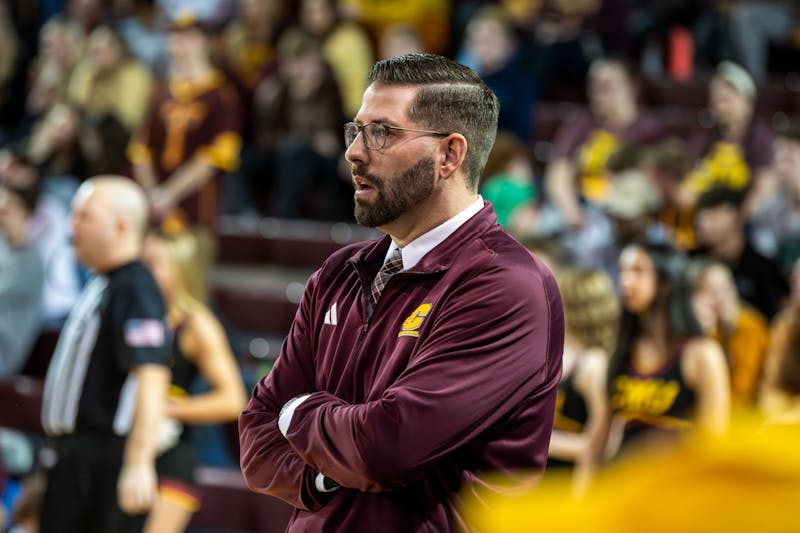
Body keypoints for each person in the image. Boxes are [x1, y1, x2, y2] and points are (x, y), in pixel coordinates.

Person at [239, 53, 565, 532]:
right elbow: (256, 441)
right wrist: (327, 474)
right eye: (355, 130)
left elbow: (387, 447)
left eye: (381, 133)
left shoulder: (506, 285)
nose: (354, 152)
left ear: (449, 155)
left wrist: (298, 412)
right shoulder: (338, 273)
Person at [39, 176, 171, 533]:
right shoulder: (104, 281)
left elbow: (152, 375)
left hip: (105, 461)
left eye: (84, 216)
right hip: (74, 457)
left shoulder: (135, 287)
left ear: (121, 228)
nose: (72, 226)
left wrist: (138, 463)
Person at [141, 227, 247, 533]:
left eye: (153, 264)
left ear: (179, 269)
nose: (143, 271)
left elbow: (233, 399)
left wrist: (167, 409)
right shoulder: (135, 312)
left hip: (171, 450)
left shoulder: (196, 323)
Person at [594, 242, 730, 464]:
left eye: (637, 271)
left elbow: (714, 441)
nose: (625, 281)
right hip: (621, 479)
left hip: (676, 480)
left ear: (666, 281)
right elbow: (598, 442)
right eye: (622, 271)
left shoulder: (702, 354)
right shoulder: (621, 350)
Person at [548, 268, 618, 496]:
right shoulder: (567, 352)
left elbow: (602, 445)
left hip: (570, 484)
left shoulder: (594, 364)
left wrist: (541, 442)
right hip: (546, 482)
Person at [690, 260, 770, 408]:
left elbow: (742, 391)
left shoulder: (749, 327)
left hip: (745, 412)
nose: (721, 297)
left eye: (725, 288)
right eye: (711, 291)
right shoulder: (713, 327)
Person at [0, 180, 44, 377]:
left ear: (25, 213)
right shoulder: (4, 250)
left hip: (5, 350)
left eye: (8, 210)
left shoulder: (31, 259)